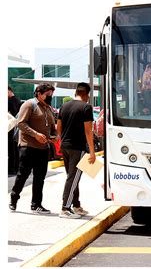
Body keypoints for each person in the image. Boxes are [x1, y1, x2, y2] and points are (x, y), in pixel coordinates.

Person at [9, 83, 57, 214]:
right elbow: (20, 123)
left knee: (40, 177)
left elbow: (51, 127)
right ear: (39, 94)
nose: (50, 97)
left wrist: (54, 136)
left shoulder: (48, 108)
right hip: (28, 147)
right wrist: (36, 135)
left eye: (51, 95)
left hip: (43, 147)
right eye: (48, 95)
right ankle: (14, 198)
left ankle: (36, 204)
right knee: (23, 175)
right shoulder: (29, 105)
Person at [57, 82, 96, 219]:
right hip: (78, 147)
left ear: (76, 93)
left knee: (72, 177)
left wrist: (61, 141)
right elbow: (88, 131)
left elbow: (59, 127)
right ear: (87, 95)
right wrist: (92, 152)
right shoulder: (86, 107)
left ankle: (76, 205)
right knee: (73, 178)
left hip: (65, 146)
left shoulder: (64, 106)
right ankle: (65, 209)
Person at [8, 86, 22, 175]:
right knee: (15, 149)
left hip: (11, 128)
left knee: (11, 149)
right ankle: (15, 168)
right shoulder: (19, 101)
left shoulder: (9, 102)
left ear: (9, 91)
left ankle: (12, 168)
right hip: (17, 128)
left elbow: (12, 115)